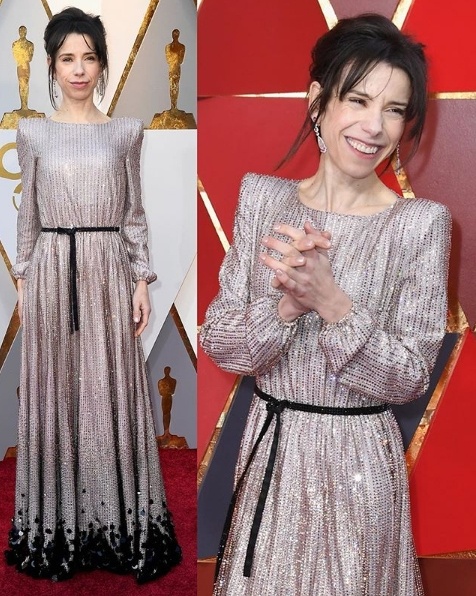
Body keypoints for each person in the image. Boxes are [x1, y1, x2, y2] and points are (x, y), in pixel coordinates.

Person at [200, 13, 451, 596]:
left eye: (394, 109)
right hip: (272, 456)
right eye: (358, 100)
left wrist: (332, 302)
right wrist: (286, 309)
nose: (375, 126)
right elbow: (221, 344)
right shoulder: (262, 199)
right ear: (318, 101)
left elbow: (410, 378)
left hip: (361, 467)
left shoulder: (420, 225)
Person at [5, 7, 181, 582]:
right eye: (67, 58)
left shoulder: (125, 131)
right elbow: (27, 218)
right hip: (52, 270)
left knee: (108, 391)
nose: (79, 69)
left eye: (89, 57)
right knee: (57, 390)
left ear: (103, 64)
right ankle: (59, 527)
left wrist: (141, 279)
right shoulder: (33, 132)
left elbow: (134, 213)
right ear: (52, 66)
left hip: (107, 271)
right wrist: (24, 283)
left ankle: (115, 523)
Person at [12, 26, 34, 111]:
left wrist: (23, 56)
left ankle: (25, 106)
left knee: (26, 84)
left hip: (26, 65)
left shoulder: (30, 44)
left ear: (26, 32)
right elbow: (15, 56)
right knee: (21, 84)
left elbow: (30, 58)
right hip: (20, 65)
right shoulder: (15, 44)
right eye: (20, 31)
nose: (22, 32)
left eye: (23, 31)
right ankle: (23, 106)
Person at [165, 29, 185, 110]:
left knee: (175, 86)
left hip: (176, 68)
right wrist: (175, 57)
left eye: (177, 34)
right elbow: (168, 59)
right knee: (172, 86)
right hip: (172, 68)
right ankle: (172, 107)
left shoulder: (182, 47)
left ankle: (174, 106)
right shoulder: (168, 47)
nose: (175, 36)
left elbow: (181, 60)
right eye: (174, 34)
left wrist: (174, 59)